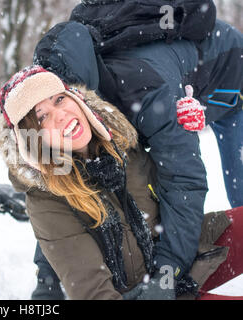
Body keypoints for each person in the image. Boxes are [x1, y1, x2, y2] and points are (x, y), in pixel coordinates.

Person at [24, 6, 242, 298]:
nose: (59, 117)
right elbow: (58, 189)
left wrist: (169, 270)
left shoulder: (145, 88)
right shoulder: (70, 113)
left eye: (61, 99)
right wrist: (48, 281)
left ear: (80, 93)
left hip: (228, 78)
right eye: (44, 113)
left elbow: (184, 181)